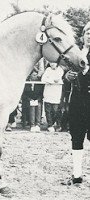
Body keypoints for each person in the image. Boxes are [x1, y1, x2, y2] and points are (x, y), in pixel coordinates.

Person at [62, 22, 90, 185]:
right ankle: (77, 174)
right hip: (77, 101)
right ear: (83, 35)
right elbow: (66, 73)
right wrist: (67, 77)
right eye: (87, 32)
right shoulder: (76, 53)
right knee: (76, 136)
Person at [41, 62, 64, 132]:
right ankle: (50, 125)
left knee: (56, 110)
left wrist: (49, 79)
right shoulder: (48, 70)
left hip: (56, 93)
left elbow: (57, 79)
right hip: (48, 92)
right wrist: (50, 80)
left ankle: (57, 125)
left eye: (53, 63)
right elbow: (43, 79)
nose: (52, 64)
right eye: (50, 63)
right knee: (48, 110)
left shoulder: (60, 70)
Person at [24, 58, 45, 132]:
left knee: (38, 105)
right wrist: (30, 99)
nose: (34, 76)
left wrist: (38, 99)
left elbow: (41, 94)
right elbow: (25, 93)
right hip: (30, 100)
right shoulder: (27, 84)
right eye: (33, 75)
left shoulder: (39, 84)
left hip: (37, 99)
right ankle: (32, 125)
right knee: (32, 106)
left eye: (35, 75)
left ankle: (38, 124)